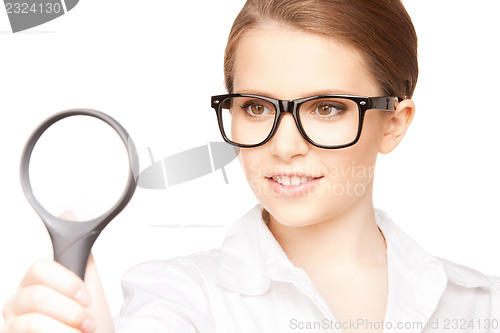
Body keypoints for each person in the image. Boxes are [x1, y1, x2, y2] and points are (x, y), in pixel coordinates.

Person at [2, 0, 499, 332]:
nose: (283, 147)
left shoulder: (483, 307)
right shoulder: (174, 297)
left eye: (326, 108)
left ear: (394, 123)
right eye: (257, 107)